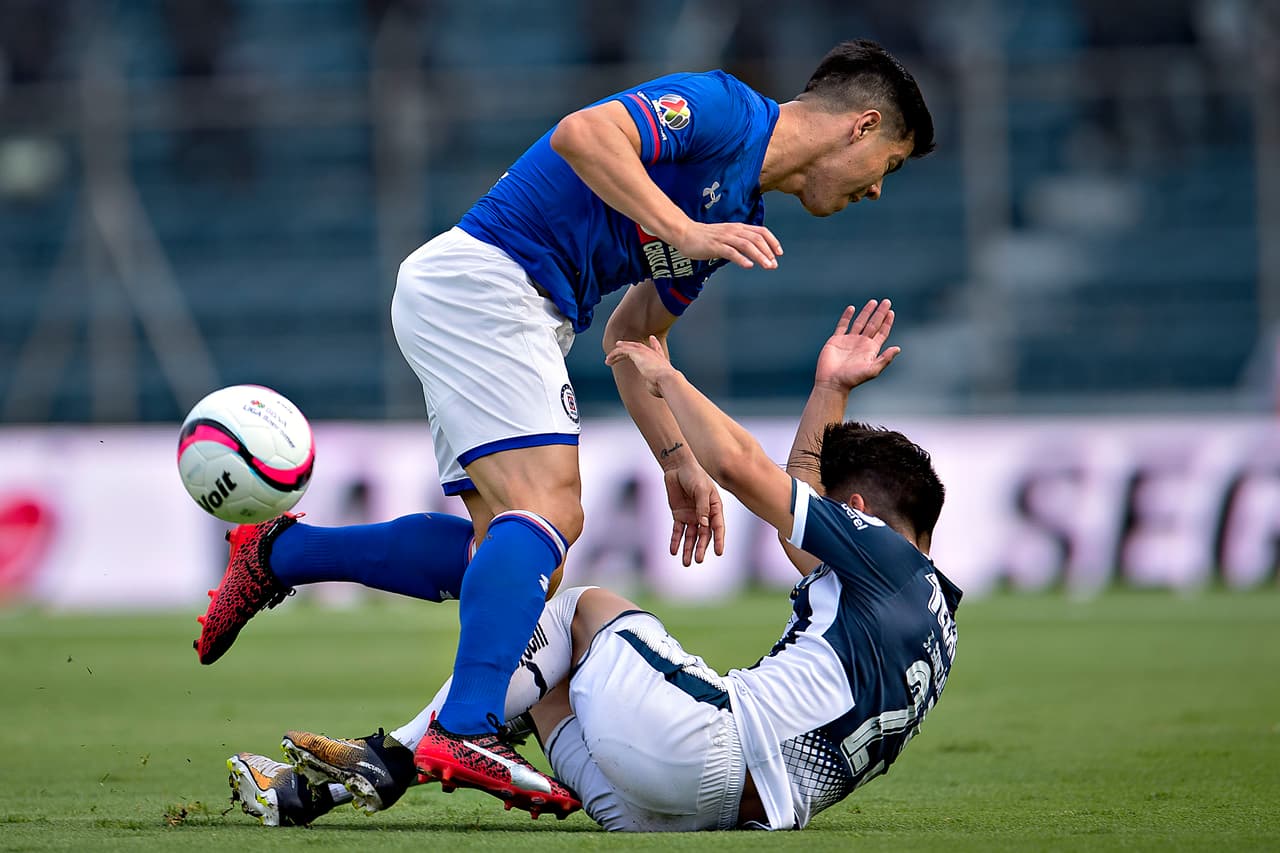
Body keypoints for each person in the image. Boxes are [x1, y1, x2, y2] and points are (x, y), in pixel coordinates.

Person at [195, 39, 936, 817]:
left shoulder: (738, 213)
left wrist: (675, 458)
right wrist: (681, 227)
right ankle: (465, 726)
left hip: (504, 302)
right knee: (553, 514)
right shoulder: (725, 109)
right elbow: (583, 135)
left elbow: (634, 336)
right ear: (862, 125)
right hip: (494, 282)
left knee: (511, 561)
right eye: (888, 164)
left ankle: (279, 553)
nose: (877, 189)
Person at [227, 300, 963, 832]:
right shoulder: (926, 614)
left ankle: (396, 753)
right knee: (543, 675)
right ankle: (316, 789)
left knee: (571, 607)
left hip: (700, 749)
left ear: (859, 512)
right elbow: (797, 514)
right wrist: (831, 390)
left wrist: (665, 379)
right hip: (695, 813)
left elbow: (746, 469)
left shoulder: (883, 558)